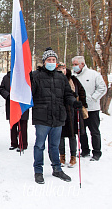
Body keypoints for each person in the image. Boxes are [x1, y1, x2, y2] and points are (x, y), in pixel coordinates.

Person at [31, 48, 81, 184]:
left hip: (58, 116)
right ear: (44, 61)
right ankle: (38, 171)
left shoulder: (61, 77)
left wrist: (73, 102)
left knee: (54, 145)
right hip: (42, 117)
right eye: (49, 60)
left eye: (53, 60)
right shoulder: (35, 76)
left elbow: (67, 95)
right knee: (39, 145)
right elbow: (29, 93)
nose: (51, 62)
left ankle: (57, 169)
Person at [72, 56, 107, 161]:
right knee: (81, 131)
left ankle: (96, 152)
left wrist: (93, 98)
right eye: (73, 64)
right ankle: (85, 150)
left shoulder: (94, 74)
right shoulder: (73, 76)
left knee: (94, 131)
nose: (74, 66)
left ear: (82, 64)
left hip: (92, 109)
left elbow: (102, 88)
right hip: (79, 108)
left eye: (76, 64)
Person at [56, 63, 87, 167]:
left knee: (72, 135)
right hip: (60, 111)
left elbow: (81, 91)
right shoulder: (54, 80)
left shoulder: (73, 80)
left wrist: (81, 103)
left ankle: (73, 156)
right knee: (60, 135)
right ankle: (62, 156)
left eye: (63, 68)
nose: (62, 70)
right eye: (59, 68)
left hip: (72, 112)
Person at [0, 71, 29, 151]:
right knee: (13, 124)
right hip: (11, 104)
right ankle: (14, 143)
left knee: (23, 124)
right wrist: (8, 96)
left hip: (22, 103)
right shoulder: (6, 77)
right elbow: (1, 89)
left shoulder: (24, 76)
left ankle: (23, 143)